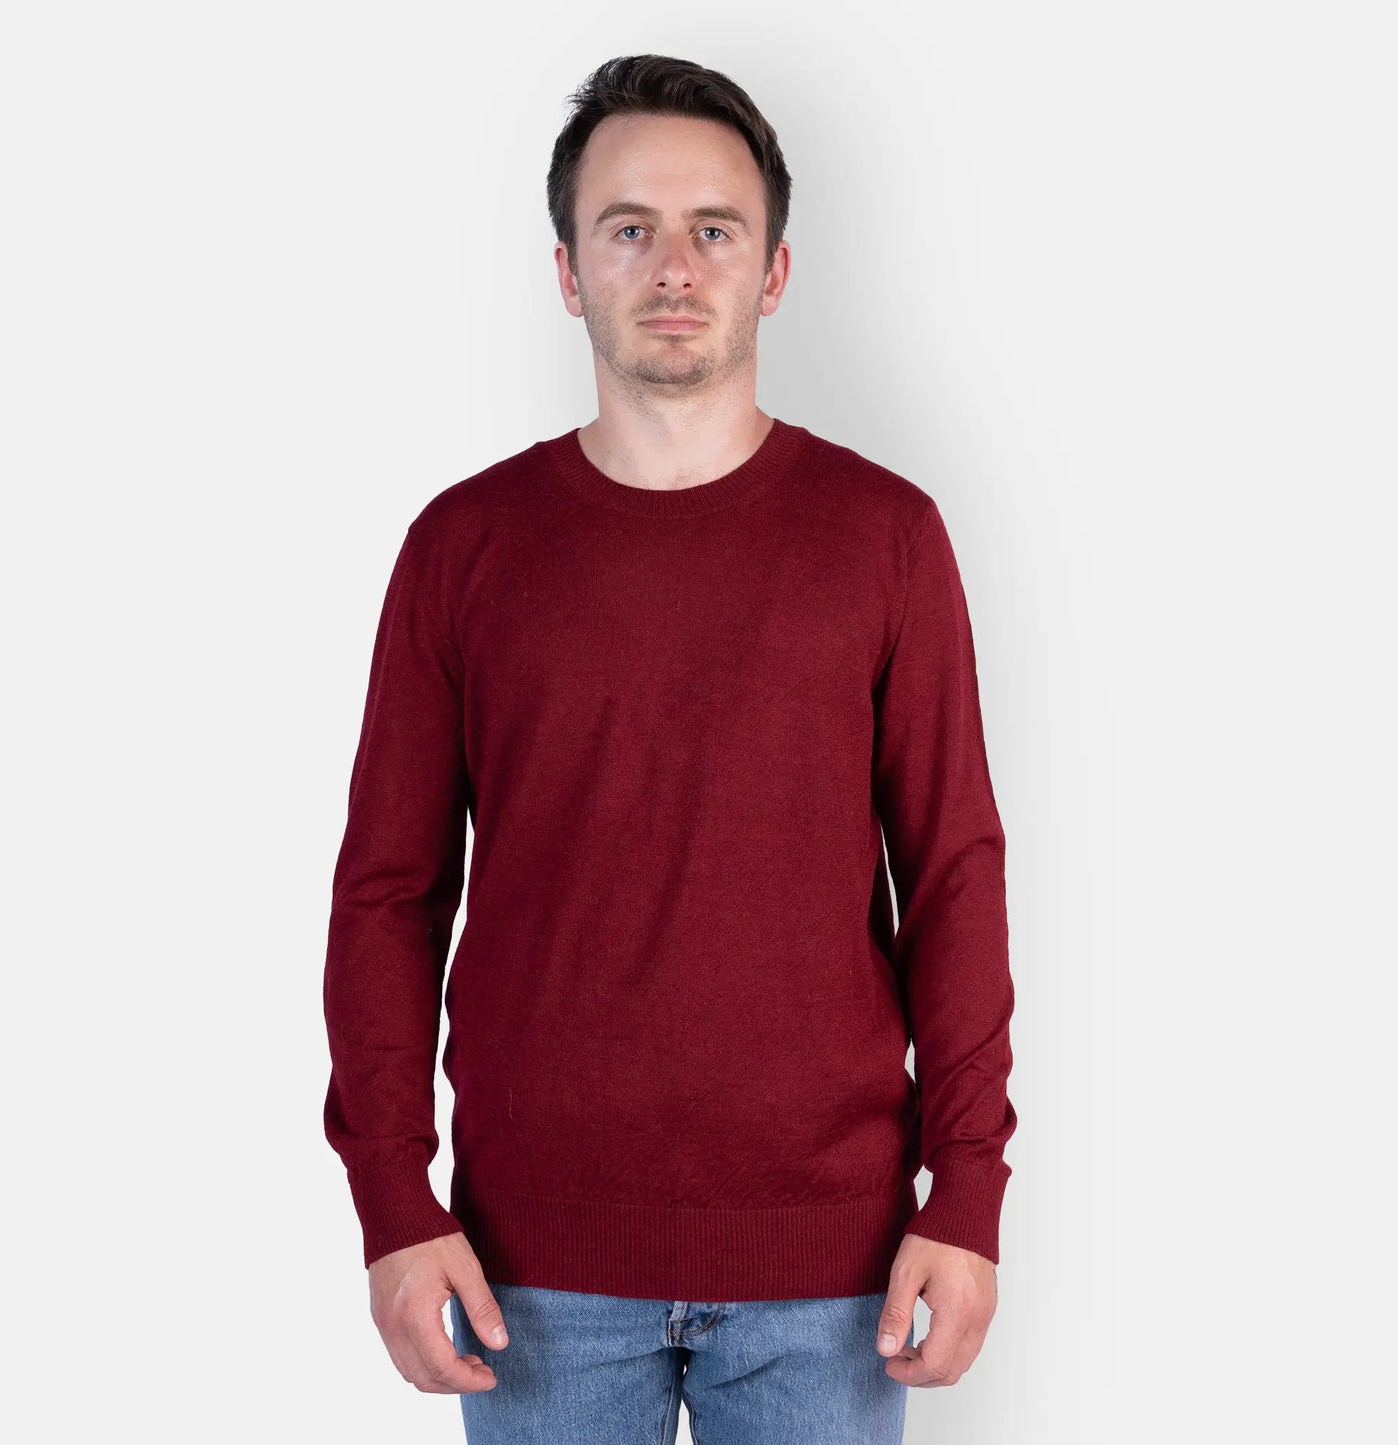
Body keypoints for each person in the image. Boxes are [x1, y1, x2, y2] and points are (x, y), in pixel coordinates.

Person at [321, 52, 1017, 1445]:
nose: (674, 266)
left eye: (715, 228)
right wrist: (392, 1200)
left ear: (775, 271)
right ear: (569, 271)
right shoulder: (464, 547)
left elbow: (951, 871)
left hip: (830, 1271)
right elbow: (390, 891)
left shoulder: (884, 537)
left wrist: (968, 1194)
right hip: (530, 1270)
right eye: (628, 227)